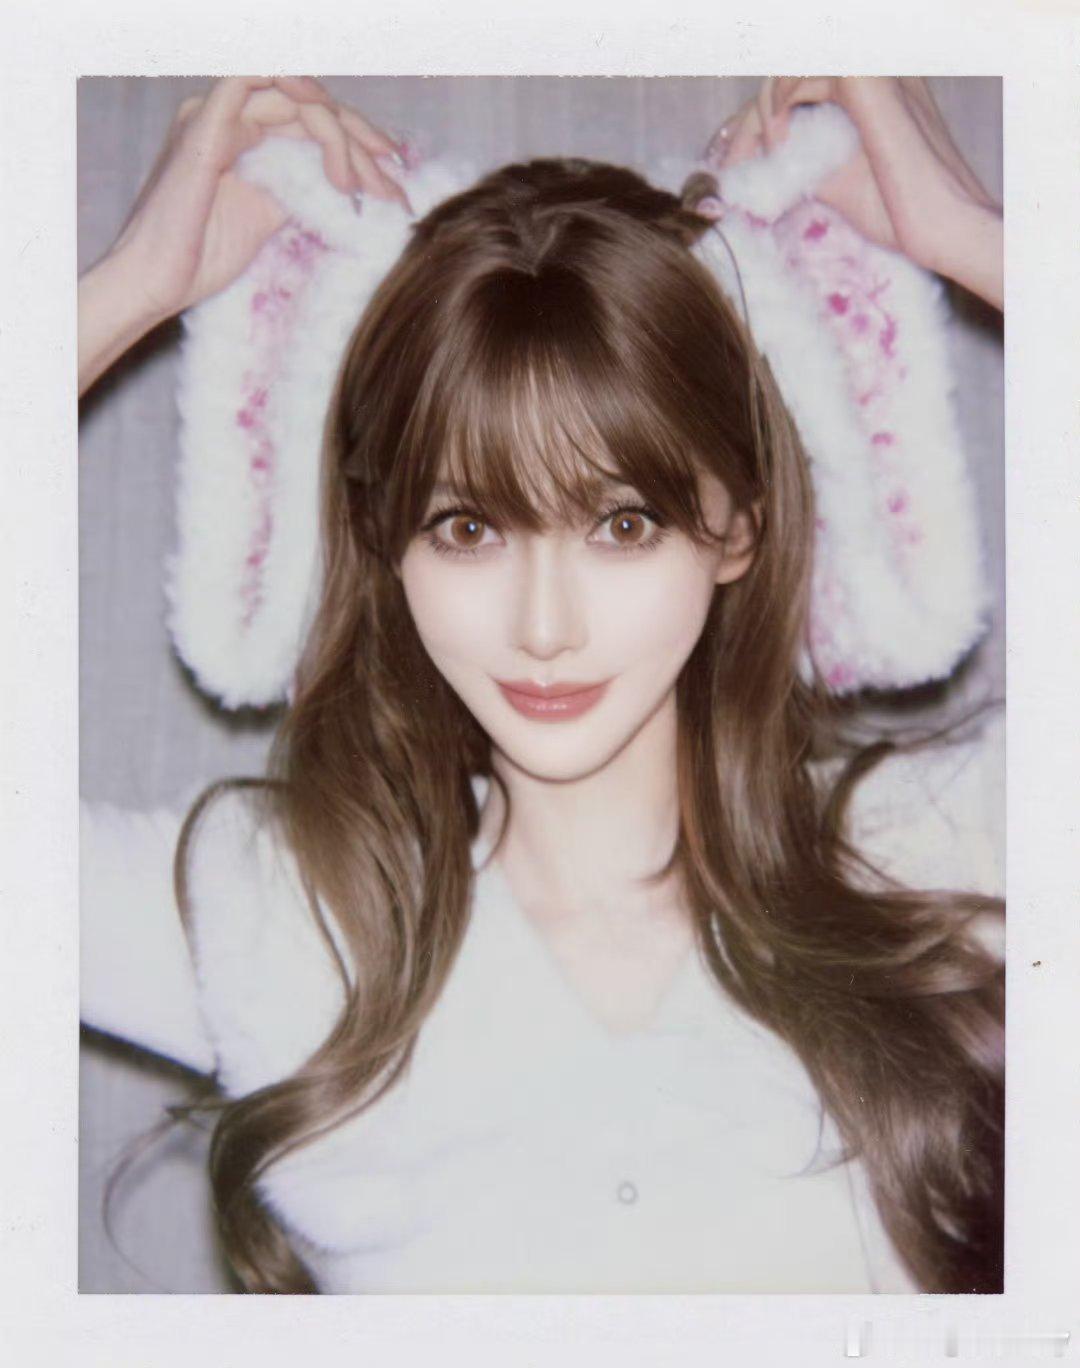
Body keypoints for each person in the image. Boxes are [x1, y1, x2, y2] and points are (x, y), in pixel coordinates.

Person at [78, 76, 1005, 1295]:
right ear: (387, 543)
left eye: (623, 525)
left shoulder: (944, 850)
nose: (545, 627)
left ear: (739, 525)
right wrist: (124, 288)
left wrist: (975, 238)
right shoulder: (283, 915)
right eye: (468, 529)